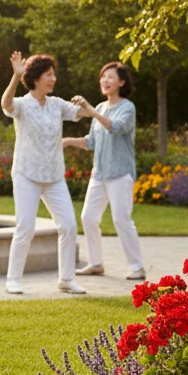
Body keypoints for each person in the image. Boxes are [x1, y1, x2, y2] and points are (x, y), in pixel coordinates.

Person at [1, 51, 92, 295]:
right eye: (49, 75)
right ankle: (13, 279)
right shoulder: (23, 104)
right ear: (36, 78)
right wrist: (15, 76)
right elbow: (6, 105)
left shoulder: (56, 105)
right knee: (26, 227)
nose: (53, 79)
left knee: (68, 226)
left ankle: (66, 279)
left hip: (53, 177)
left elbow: (82, 114)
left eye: (54, 74)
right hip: (26, 175)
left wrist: (87, 107)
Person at [62, 62, 146, 280]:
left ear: (121, 82)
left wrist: (90, 111)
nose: (105, 81)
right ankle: (96, 263)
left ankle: (137, 267)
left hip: (120, 172)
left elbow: (115, 127)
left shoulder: (127, 108)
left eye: (110, 77)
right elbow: (92, 142)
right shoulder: (99, 108)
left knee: (121, 219)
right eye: (103, 77)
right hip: (99, 173)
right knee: (88, 217)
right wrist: (69, 141)